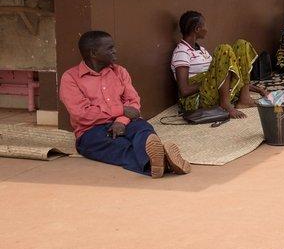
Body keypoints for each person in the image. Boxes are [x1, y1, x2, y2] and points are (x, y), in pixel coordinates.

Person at [60, 31, 190, 178]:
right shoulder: (70, 78)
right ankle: (162, 162)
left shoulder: (120, 72)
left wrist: (121, 121)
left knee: (143, 129)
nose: (115, 51)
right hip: (91, 131)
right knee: (117, 147)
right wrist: (121, 110)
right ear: (93, 53)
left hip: (126, 121)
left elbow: (133, 103)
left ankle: (157, 162)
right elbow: (82, 114)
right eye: (109, 48)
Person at [172, 11, 263, 120]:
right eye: (204, 25)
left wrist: (259, 90)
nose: (207, 29)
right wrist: (210, 81)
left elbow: (223, 77)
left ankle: (245, 98)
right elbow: (184, 90)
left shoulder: (202, 50)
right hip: (197, 99)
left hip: (212, 91)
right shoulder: (181, 52)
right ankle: (225, 104)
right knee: (223, 49)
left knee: (241, 44)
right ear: (197, 29)